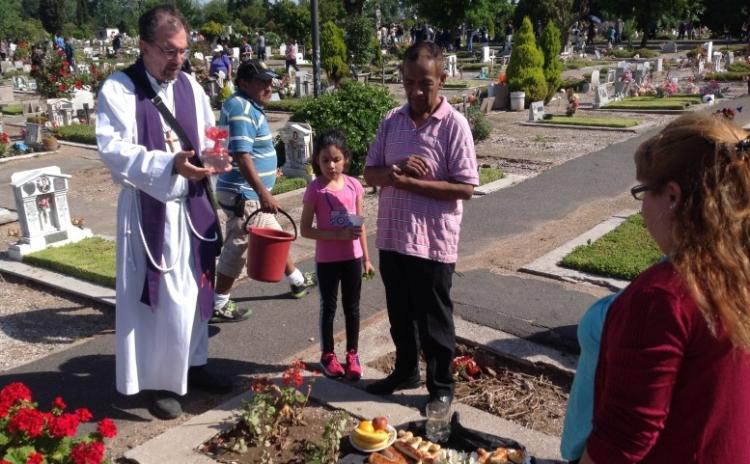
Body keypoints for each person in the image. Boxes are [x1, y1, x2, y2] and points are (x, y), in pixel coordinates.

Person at [577, 113, 750, 464]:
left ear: (672, 196)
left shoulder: (663, 296)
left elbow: (622, 441)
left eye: (643, 192)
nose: (642, 210)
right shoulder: (735, 272)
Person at [96, 4, 232, 420]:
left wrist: (219, 155)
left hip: (191, 206)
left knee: (194, 291)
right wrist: (168, 165)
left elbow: (211, 130)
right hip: (150, 210)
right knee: (162, 297)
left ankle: (192, 364)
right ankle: (160, 382)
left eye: (183, 51)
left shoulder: (190, 85)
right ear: (144, 46)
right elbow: (113, 149)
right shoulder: (120, 89)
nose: (178, 59)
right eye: (169, 51)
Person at [363, 41, 478, 411]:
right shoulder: (391, 121)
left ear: (441, 80)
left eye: (424, 83)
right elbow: (369, 173)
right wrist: (395, 174)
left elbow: (465, 186)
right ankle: (406, 370)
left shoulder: (454, 125)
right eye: (409, 82)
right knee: (400, 313)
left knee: (434, 319)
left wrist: (413, 184)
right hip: (393, 236)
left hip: (433, 242)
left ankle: (441, 385)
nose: (415, 91)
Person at [212, 59, 316, 322]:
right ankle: (219, 302)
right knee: (238, 244)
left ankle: (297, 280)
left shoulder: (247, 105)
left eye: (271, 81)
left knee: (274, 236)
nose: (270, 86)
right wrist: (263, 192)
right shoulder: (240, 108)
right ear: (244, 83)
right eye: (263, 82)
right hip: (244, 193)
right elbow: (242, 155)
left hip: (245, 192)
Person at [300, 130, 373, 380]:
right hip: (327, 260)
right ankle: (328, 355)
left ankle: (352, 354)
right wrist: (336, 236)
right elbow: (305, 229)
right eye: (325, 160)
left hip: (352, 258)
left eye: (336, 159)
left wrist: (366, 257)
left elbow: (359, 224)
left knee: (352, 308)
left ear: (346, 159)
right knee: (328, 308)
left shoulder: (353, 185)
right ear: (317, 161)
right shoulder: (315, 190)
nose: (331, 165)